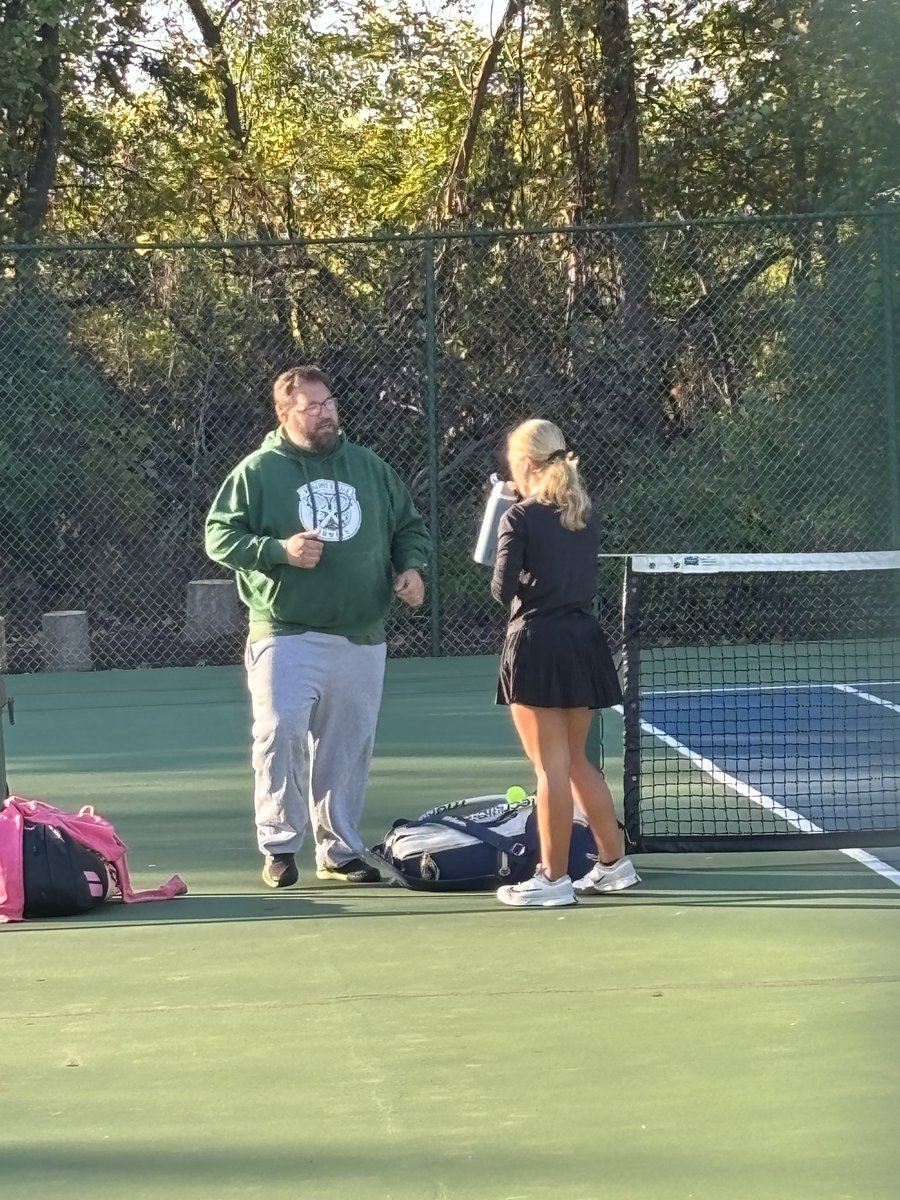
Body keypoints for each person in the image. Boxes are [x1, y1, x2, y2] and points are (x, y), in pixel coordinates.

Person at [205, 366, 429, 889]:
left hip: (361, 633)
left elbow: (408, 527)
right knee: (279, 731)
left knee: (347, 744)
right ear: (285, 414)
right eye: (312, 406)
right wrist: (278, 551)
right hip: (285, 631)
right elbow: (219, 536)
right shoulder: (258, 471)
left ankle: (341, 850)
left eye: (328, 402)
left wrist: (411, 568)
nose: (326, 412)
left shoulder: (369, 466)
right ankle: (279, 846)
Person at [490, 418, 640, 908]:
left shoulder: (520, 517)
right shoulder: (584, 512)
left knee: (549, 769)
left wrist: (505, 524)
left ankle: (552, 879)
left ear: (526, 465)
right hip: (582, 643)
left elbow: (501, 589)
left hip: (536, 645)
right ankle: (614, 866)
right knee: (576, 761)